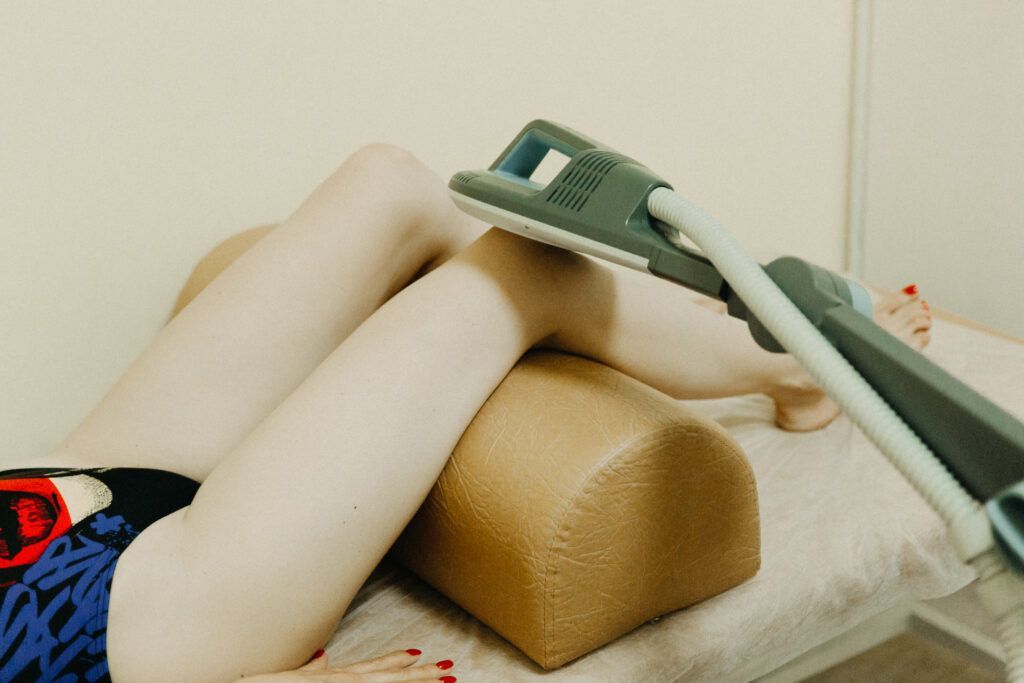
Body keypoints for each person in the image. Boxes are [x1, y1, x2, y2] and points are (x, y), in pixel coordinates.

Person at [0, 143, 932, 682]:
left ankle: (726, 336)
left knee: (391, 184)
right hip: (138, 629)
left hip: (55, 500)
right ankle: (792, 372)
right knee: (521, 268)